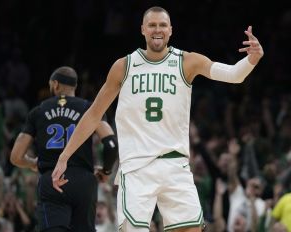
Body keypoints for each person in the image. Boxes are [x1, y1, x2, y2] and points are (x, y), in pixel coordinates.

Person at [52, 6, 264, 232]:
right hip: (136, 167)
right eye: (152, 25)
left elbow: (233, 74)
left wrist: (252, 58)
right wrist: (65, 156)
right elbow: (94, 114)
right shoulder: (124, 66)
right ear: (143, 29)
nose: (157, 30)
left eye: (162, 25)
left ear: (170, 30)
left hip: (175, 164)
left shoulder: (187, 61)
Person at [10, 66, 118, 232]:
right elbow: (111, 144)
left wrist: (32, 163)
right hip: (83, 181)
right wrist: (106, 171)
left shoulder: (38, 111)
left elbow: (16, 157)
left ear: (55, 84)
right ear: (75, 86)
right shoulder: (90, 109)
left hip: (53, 178)